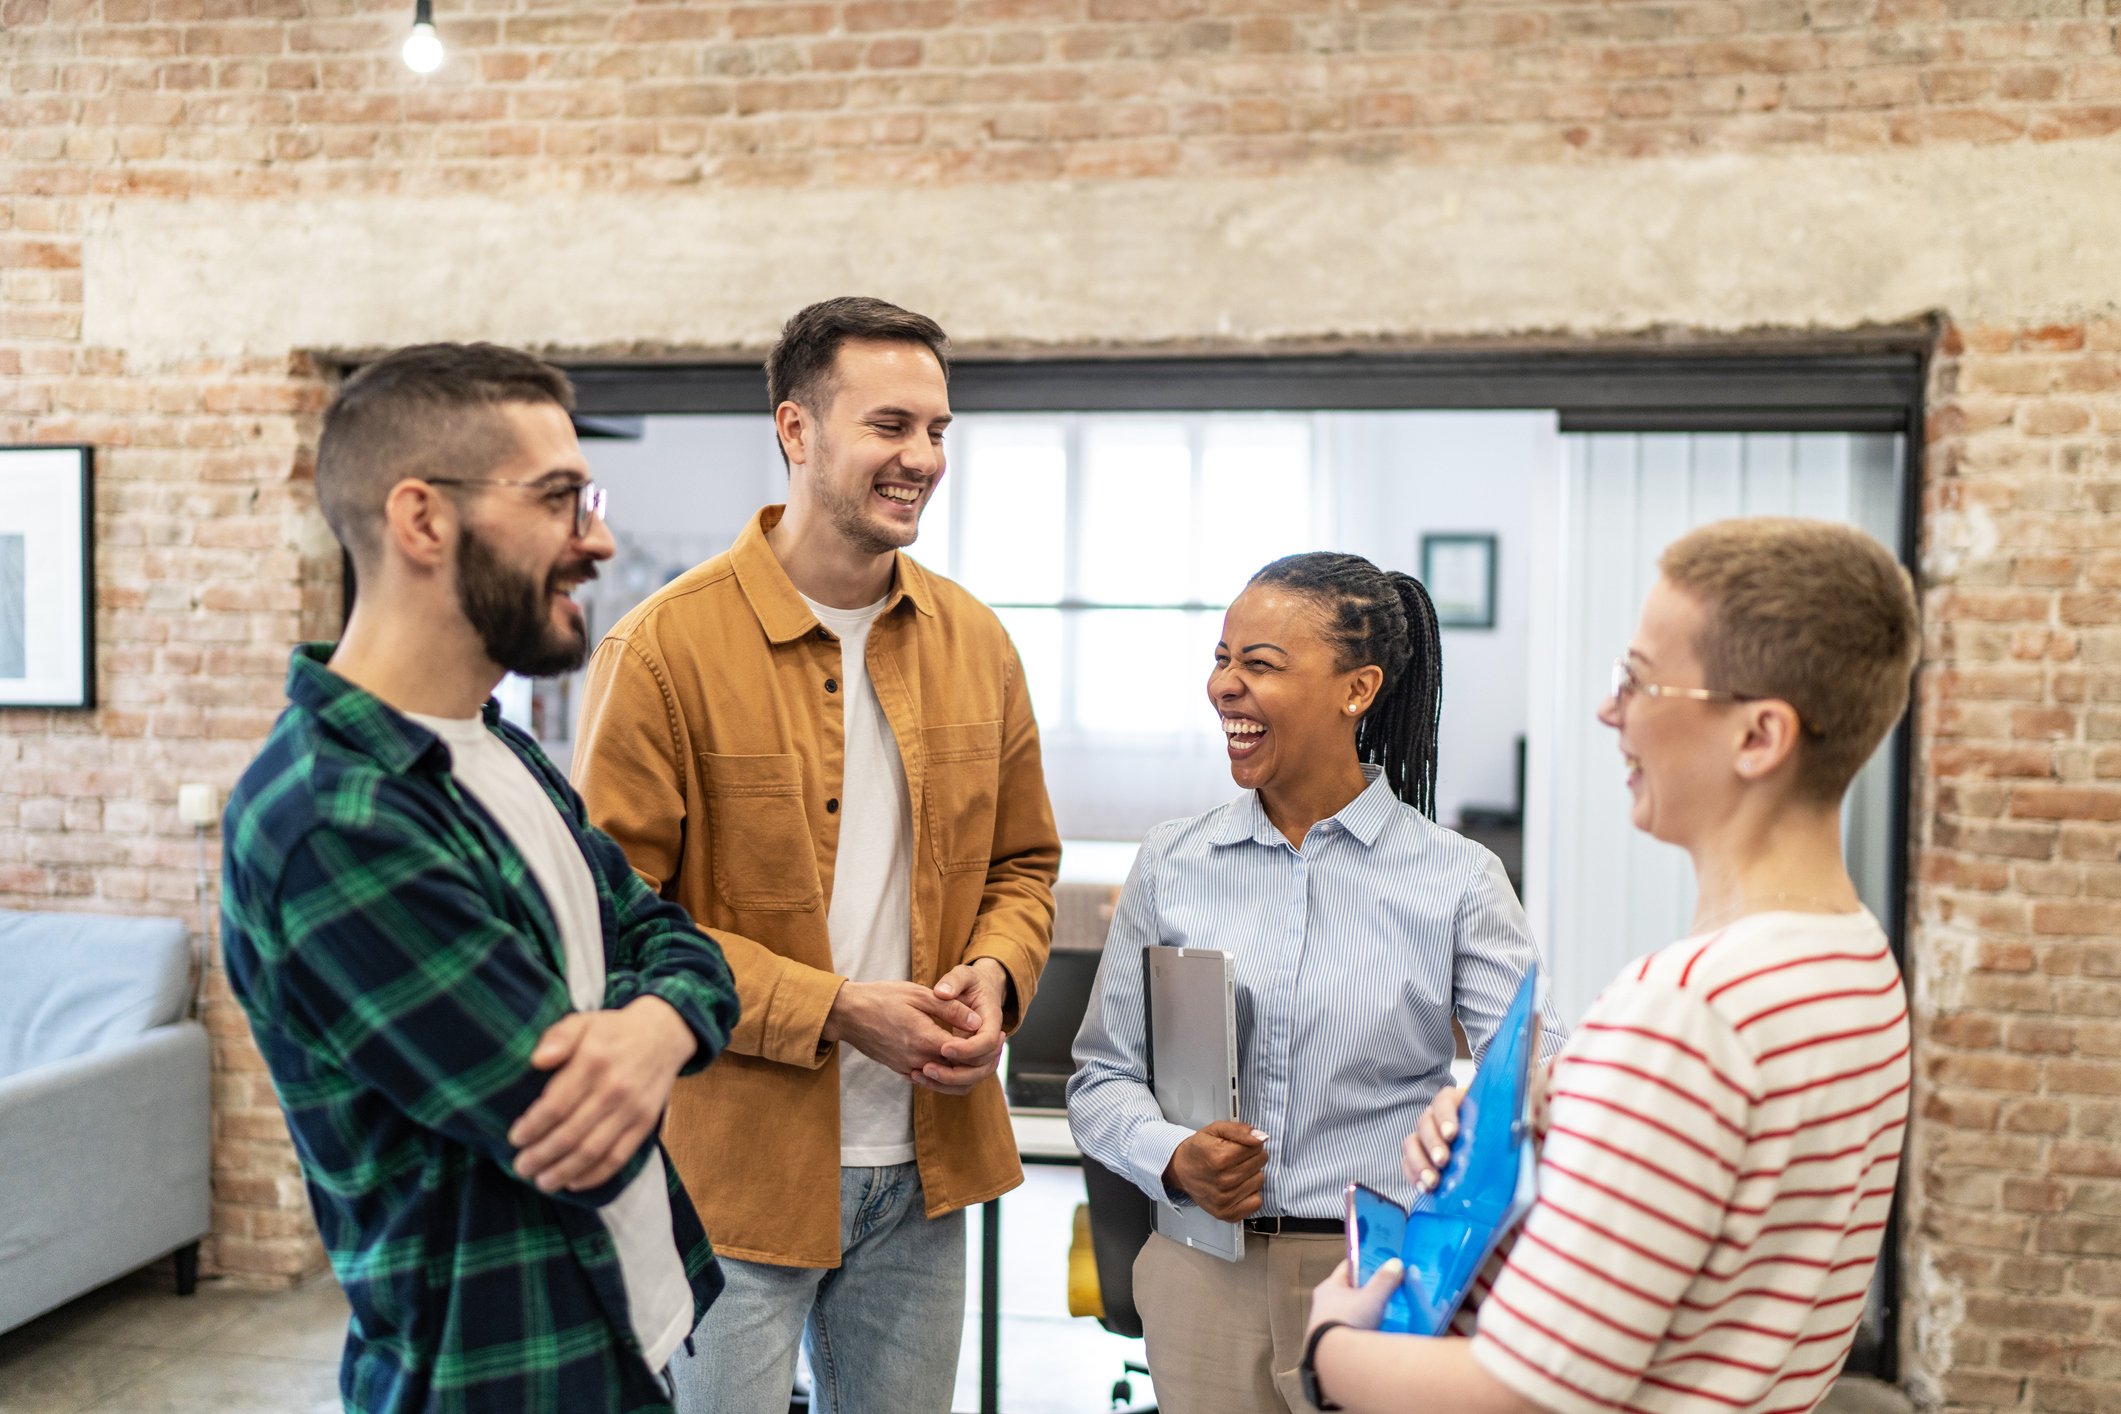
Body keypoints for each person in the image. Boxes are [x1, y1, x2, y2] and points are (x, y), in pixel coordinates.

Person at [219, 343, 740, 1413]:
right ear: (422, 520)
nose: (596, 539)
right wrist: (677, 1018)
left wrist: (656, 1029)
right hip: (498, 1376)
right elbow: (571, 1127)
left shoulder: (489, 743)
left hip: (623, 1336)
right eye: (558, 499)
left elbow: (668, 934)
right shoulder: (333, 819)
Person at [1302, 517, 1920, 1414]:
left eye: (1637, 679)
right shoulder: (1853, 961)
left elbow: (1515, 1394)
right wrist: (1557, 1122)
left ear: (1759, 736)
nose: (1609, 710)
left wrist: (1329, 1344)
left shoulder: (1684, 1010)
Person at [571, 296, 1060, 1413]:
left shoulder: (978, 644)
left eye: (939, 430)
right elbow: (612, 924)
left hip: (928, 1173)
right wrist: (837, 1008)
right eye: (892, 425)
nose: (923, 458)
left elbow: (1023, 867)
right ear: (796, 430)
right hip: (727, 1178)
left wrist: (996, 971)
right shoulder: (662, 651)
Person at [1067, 550, 1567, 1414]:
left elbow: (1538, 1075)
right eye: (1222, 659)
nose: (1225, 685)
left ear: (1356, 688)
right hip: (1198, 1278)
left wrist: (1474, 1120)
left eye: (1258, 664)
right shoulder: (1172, 862)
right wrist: (1173, 1157)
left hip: (1374, 1281)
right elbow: (1100, 1080)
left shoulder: (1457, 878)